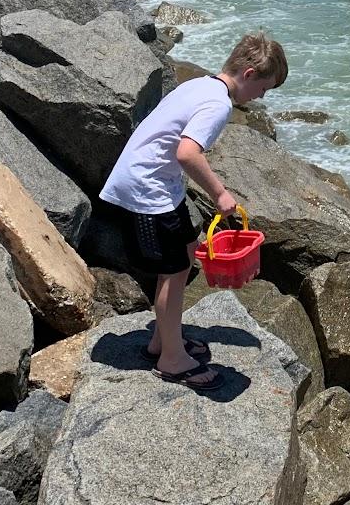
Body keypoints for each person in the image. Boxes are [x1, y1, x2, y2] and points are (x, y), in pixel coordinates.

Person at [97, 32, 287, 391]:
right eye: (264, 89)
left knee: (186, 251)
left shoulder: (201, 84)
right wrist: (220, 194)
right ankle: (171, 359)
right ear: (248, 74)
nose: (261, 98)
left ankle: (162, 340)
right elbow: (187, 153)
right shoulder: (219, 105)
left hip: (157, 184)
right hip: (146, 189)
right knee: (174, 269)